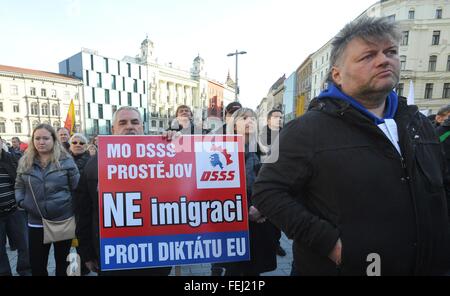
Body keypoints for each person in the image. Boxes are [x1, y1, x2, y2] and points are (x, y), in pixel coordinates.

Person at [252, 16, 450, 276]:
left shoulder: (418, 124)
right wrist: (330, 244)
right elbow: (268, 192)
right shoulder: (306, 130)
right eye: (367, 56)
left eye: (390, 52)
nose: (384, 60)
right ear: (337, 74)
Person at [75, 106, 172, 276]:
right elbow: (84, 213)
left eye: (135, 122)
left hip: (155, 254)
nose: (129, 126)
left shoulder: (164, 157)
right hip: (112, 257)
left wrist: (178, 142)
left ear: (142, 127)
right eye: (123, 122)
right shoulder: (94, 165)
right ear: (114, 129)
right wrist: (87, 253)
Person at [15, 124, 79, 276]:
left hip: (62, 221)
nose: (41, 142)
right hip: (36, 222)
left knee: (63, 265)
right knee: (37, 265)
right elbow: (19, 185)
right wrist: (22, 202)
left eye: (45, 138)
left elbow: (77, 189)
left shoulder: (66, 161)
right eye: (37, 138)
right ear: (32, 140)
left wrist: (71, 210)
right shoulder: (25, 161)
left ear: (54, 140)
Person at [223, 108, 278, 276]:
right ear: (233, 125)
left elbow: (277, 184)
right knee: (234, 270)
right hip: (233, 216)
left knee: (254, 269)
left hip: (261, 217)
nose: (249, 121)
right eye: (244, 118)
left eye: (253, 118)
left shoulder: (267, 150)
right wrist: (244, 211)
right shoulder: (222, 149)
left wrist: (262, 208)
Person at [258, 109, 286, 258]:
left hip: (283, 179)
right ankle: (270, 244)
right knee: (267, 216)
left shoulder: (288, 133)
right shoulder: (261, 136)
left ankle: (276, 243)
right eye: (276, 117)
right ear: (268, 120)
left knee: (278, 218)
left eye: (281, 117)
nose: (279, 120)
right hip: (266, 177)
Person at [0, 148, 31, 276]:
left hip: (15, 210)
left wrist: (22, 202)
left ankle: (26, 271)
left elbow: (23, 182)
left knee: (25, 245)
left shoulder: (13, 159)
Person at [68, 133, 92, 275]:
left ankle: (84, 268)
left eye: (81, 143)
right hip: (66, 209)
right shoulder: (61, 161)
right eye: (74, 142)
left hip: (84, 209)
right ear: (70, 145)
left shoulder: (92, 162)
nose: (78, 145)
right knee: (66, 243)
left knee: (82, 239)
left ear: (86, 145)